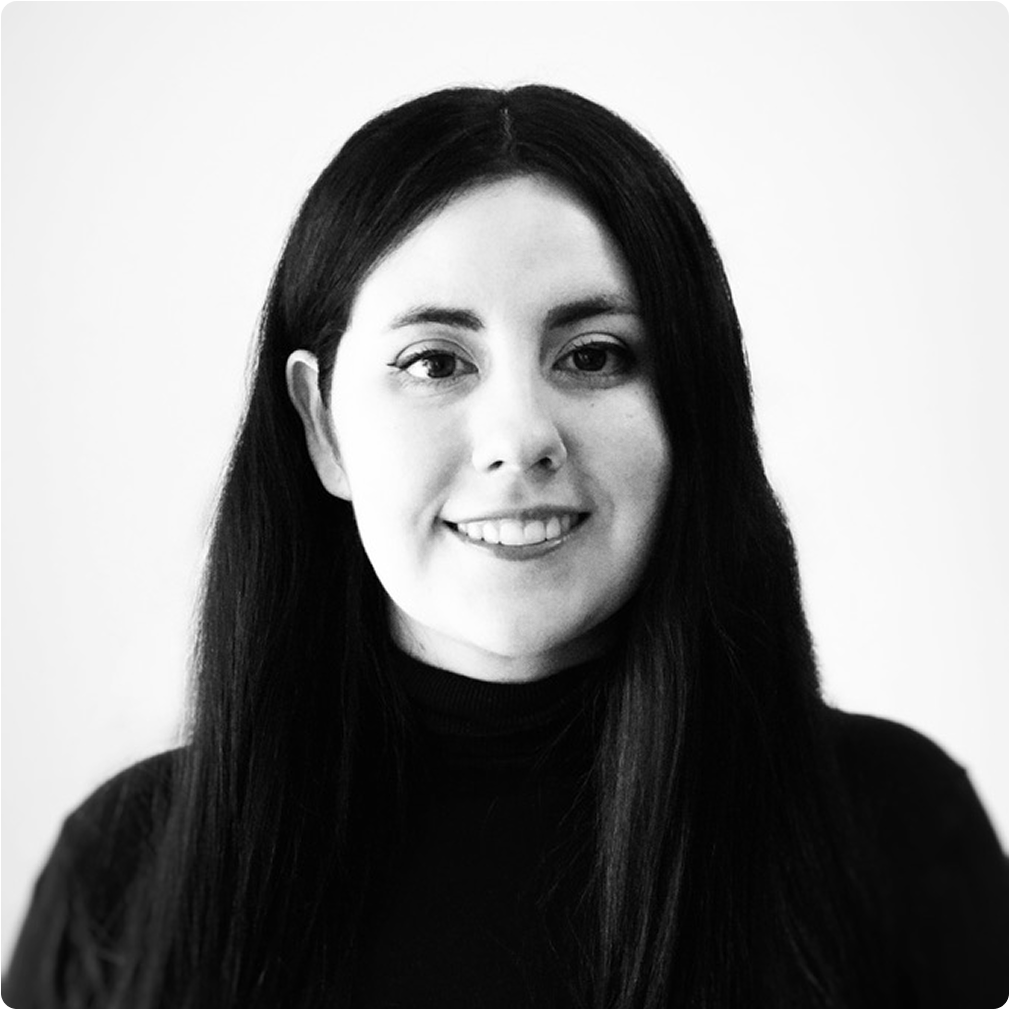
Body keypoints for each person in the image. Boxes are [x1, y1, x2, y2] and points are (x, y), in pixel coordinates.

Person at [3, 85, 1007, 1009]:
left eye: (594, 355)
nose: (521, 435)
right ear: (320, 424)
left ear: (690, 405)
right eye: (435, 361)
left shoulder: (894, 829)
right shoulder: (124, 877)